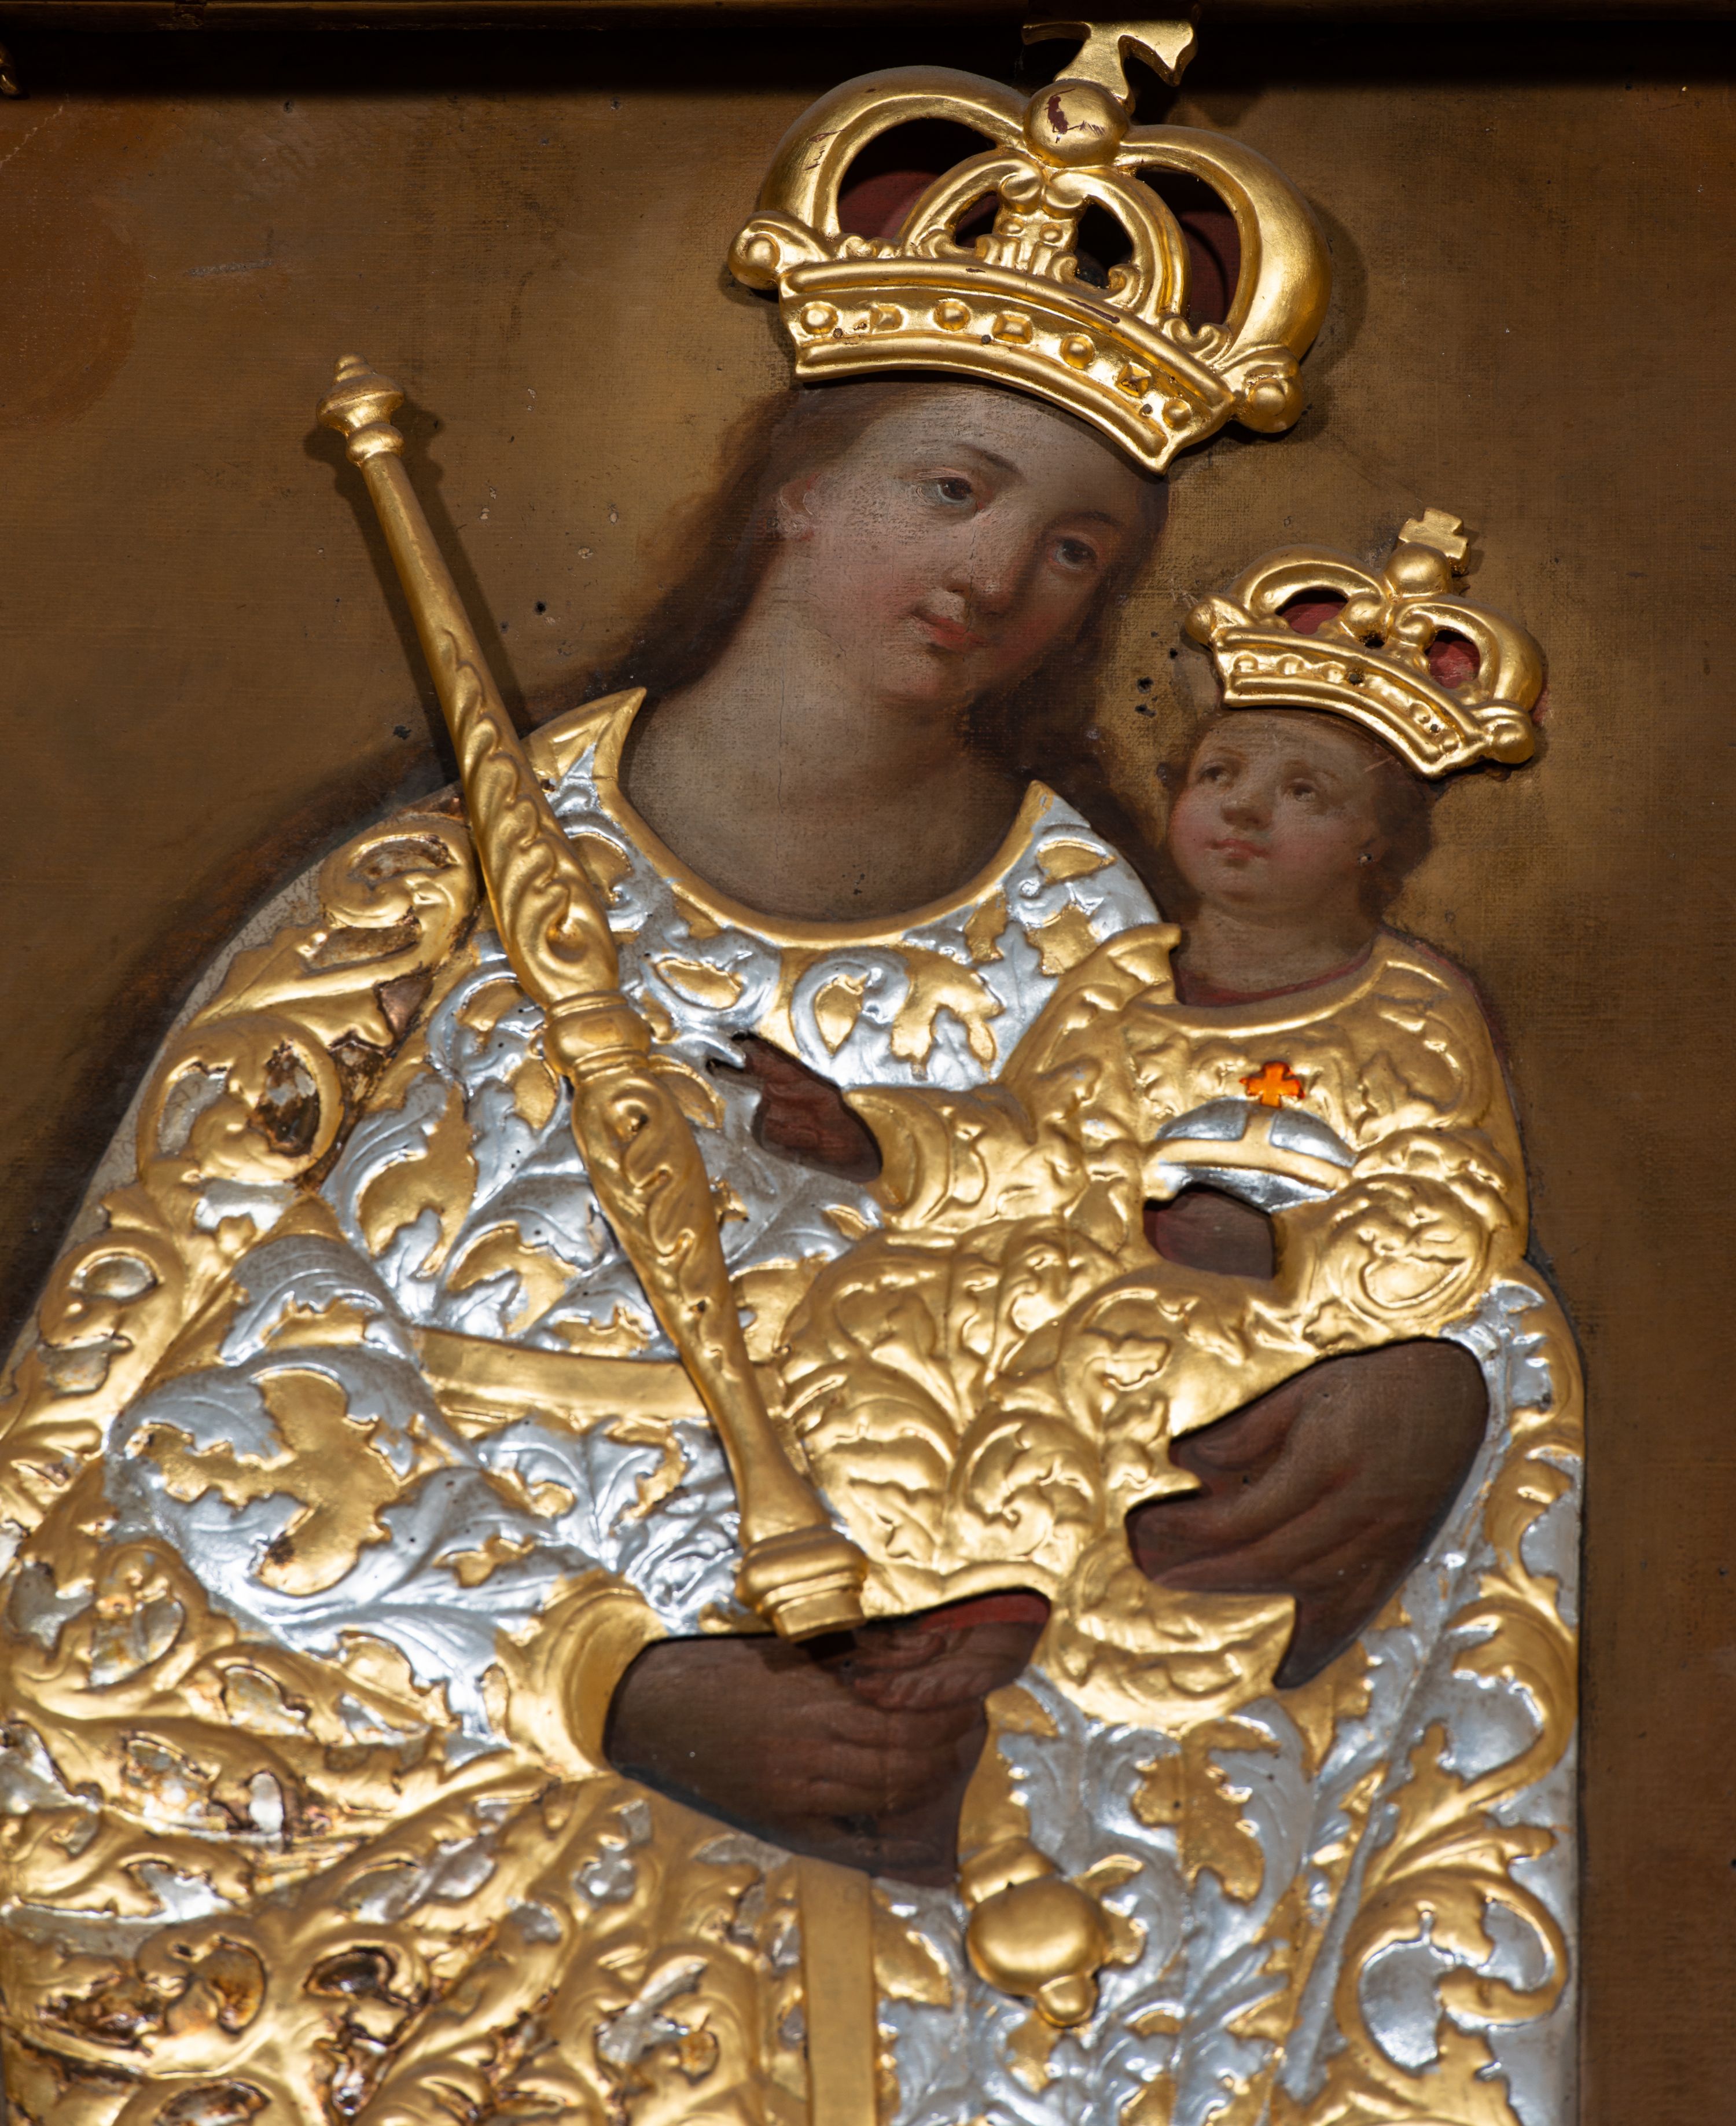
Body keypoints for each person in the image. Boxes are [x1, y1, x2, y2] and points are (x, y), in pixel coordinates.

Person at [0, 33, 1577, 2126]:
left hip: (970, 1824)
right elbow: (165, 1369)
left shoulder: (1117, 947)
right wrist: (618, 1682)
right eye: (956, 488)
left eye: (1081, 549)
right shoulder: (440, 900)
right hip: (438, 1791)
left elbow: (1259, 1236)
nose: (999, 576)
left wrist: (1436, 1380)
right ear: (796, 483)